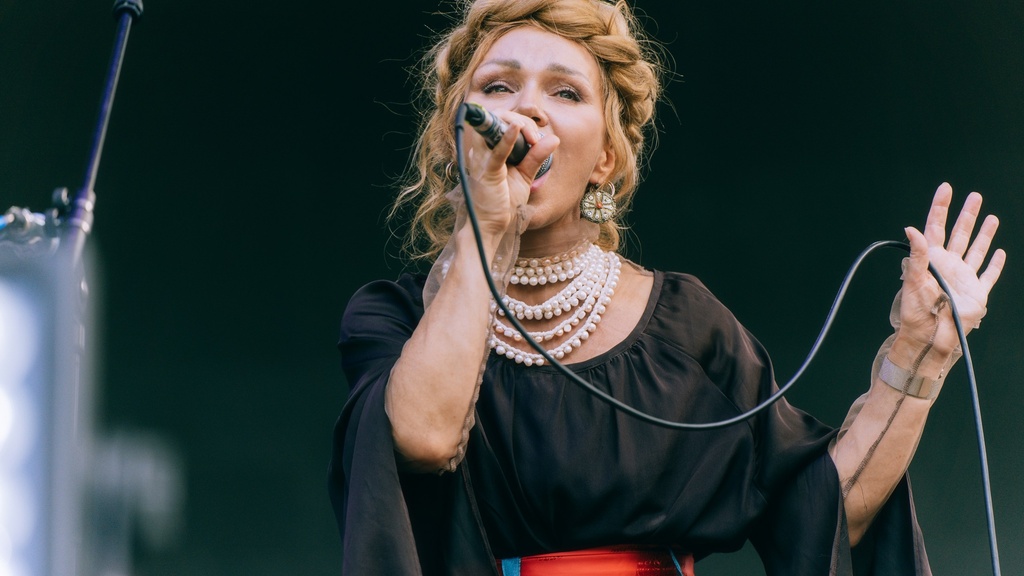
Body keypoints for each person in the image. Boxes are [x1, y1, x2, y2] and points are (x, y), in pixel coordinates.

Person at [328, 1, 1006, 574]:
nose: (526, 108)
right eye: (499, 87)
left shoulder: (685, 325)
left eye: (565, 92)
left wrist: (920, 353)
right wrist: (487, 227)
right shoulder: (392, 318)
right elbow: (424, 438)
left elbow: (824, 509)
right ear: (459, 133)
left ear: (605, 158)